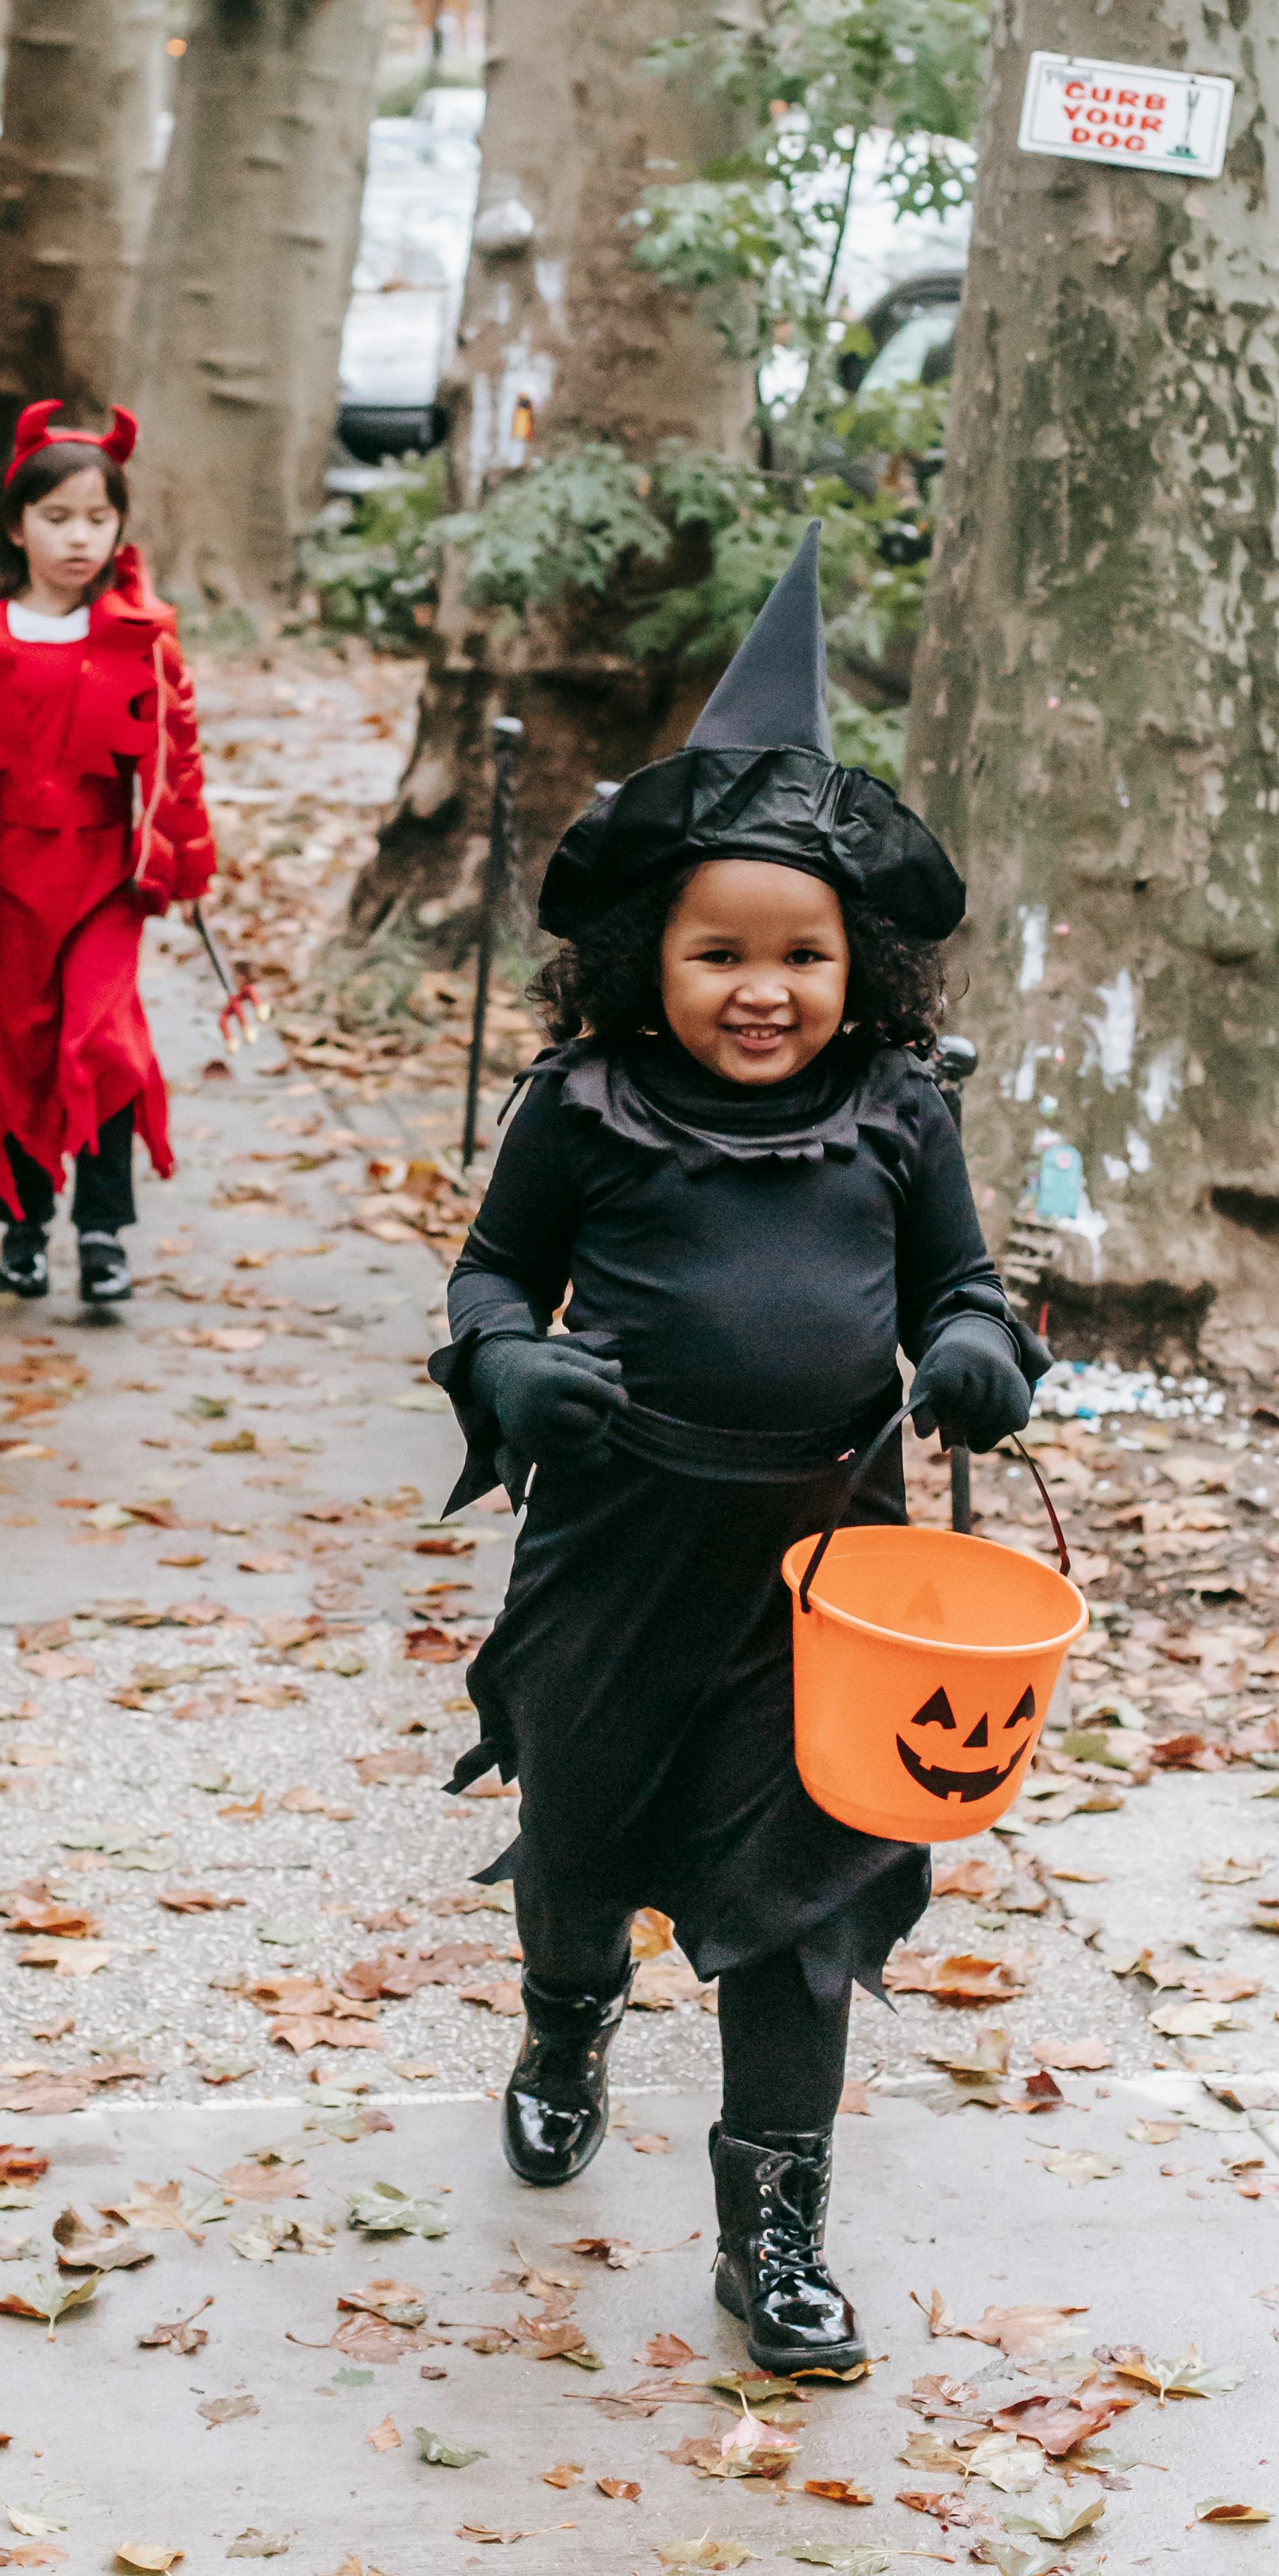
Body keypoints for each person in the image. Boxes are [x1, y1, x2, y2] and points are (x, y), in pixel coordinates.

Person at [431, 525, 1047, 2378]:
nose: (759, 986)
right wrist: (510, 1370)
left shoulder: (894, 1113)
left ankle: (770, 2222)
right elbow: (483, 1280)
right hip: (614, 1549)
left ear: (860, 969)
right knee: (577, 1838)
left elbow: (963, 1282)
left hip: (828, 1575)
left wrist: (967, 1346)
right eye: (718, 950)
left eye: (800, 952)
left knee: (807, 1898)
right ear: (650, 953)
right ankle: (562, 2016)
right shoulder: (584, 1105)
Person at [0, 400, 215, 1305]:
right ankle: (21, 1227)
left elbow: (175, 759)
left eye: (98, 519)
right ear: (16, 525)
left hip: (103, 875)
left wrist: (183, 856)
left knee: (104, 1044)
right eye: (57, 517)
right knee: (13, 1054)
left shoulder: (140, 641)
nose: (79, 538)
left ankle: (103, 1230)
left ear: (119, 528)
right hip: (2, 881)